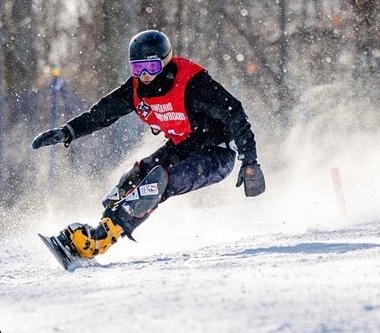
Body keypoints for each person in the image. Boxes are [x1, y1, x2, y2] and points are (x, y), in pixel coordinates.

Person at [32, 30, 265, 260]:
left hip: (217, 153)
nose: (144, 75)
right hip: (183, 146)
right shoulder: (134, 90)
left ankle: (98, 243)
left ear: (165, 62)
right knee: (137, 175)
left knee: (158, 181)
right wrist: (67, 132)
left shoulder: (192, 83)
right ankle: (103, 227)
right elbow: (101, 114)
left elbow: (233, 112)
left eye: (151, 68)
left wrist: (250, 160)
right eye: (137, 68)